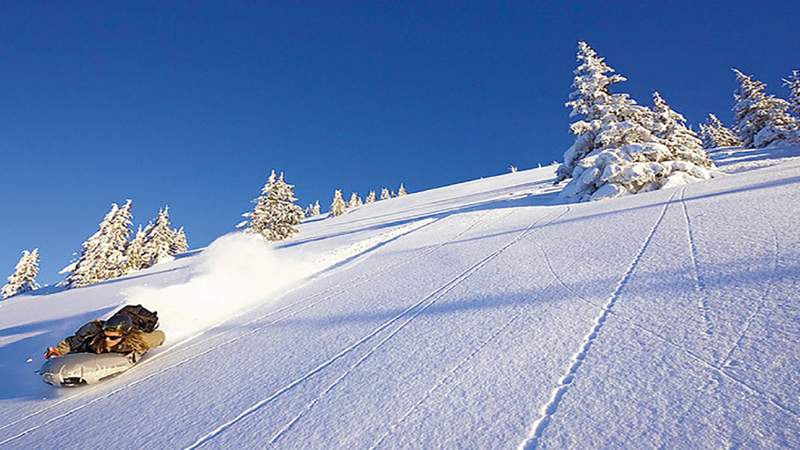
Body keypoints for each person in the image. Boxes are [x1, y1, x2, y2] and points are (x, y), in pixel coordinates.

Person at [44, 310, 165, 359]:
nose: (107, 339)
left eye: (113, 337)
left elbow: (160, 336)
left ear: (124, 335)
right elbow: (72, 342)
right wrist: (58, 351)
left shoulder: (138, 339)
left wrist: (141, 349)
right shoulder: (92, 333)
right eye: (105, 335)